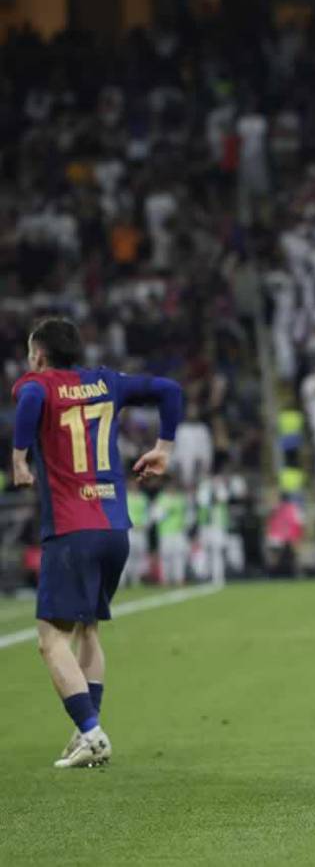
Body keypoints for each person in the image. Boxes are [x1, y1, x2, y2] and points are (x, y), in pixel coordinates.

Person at [10, 317, 182, 769]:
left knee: (50, 640)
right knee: (87, 628)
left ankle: (91, 732)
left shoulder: (39, 384)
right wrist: (163, 447)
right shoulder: (107, 381)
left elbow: (28, 398)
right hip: (113, 528)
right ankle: (85, 732)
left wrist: (19, 456)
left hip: (72, 529)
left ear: (39, 356)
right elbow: (169, 390)